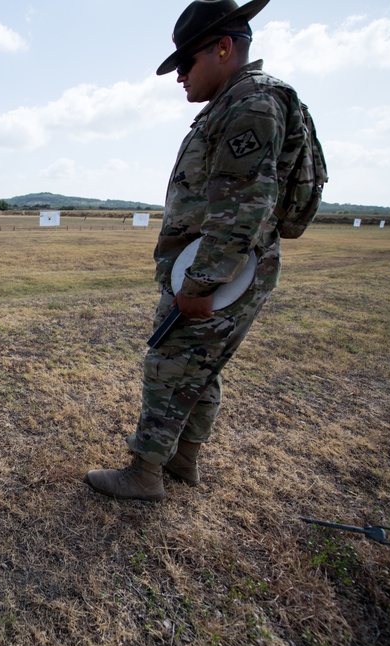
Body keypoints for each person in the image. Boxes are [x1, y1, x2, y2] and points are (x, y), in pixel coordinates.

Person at [85, 0, 312, 500]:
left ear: (224, 48)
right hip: (232, 270)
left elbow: (244, 207)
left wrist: (200, 283)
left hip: (220, 273)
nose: (179, 76)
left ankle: (144, 473)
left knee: (169, 363)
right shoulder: (242, 101)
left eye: (186, 62)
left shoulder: (249, 104)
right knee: (200, 368)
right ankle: (183, 459)